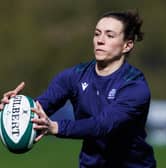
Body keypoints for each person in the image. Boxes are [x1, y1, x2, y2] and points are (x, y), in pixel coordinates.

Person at [0, 10, 156, 167]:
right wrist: (14, 109)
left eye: (109, 35)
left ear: (127, 45)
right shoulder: (74, 76)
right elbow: (41, 107)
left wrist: (56, 127)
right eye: (97, 34)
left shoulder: (134, 86)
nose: (100, 40)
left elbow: (102, 125)